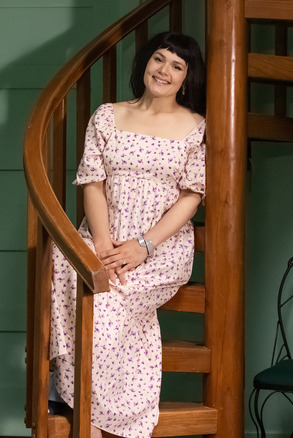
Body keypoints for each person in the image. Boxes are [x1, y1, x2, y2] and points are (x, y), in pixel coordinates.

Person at [49, 32, 206, 438]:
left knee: (101, 317)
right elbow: (92, 182)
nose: (165, 70)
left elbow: (191, 197)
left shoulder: (197, 127)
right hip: (104, 237)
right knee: (69, 263)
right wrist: (101, 245)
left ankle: (86, 416)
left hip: (160, 249)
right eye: (159, 59)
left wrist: (143, 246)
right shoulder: (106, 115)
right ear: (145, 64)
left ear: (187, 79)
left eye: (177, 66)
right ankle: (93, 422)